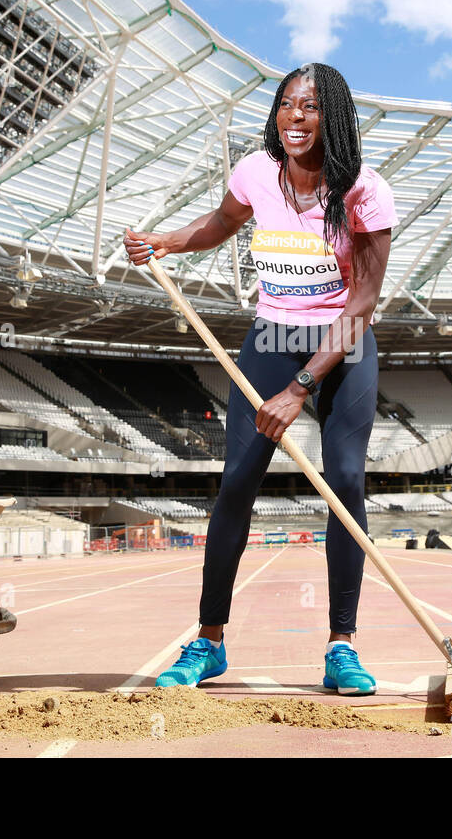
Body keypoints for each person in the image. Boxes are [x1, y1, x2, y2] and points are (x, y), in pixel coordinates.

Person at [123, 62, 396, 695]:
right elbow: (218, 225)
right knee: (237, 483)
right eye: (285, 105)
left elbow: (362, 304)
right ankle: (209, 641)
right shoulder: (255, 174)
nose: (295, 117)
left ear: (335, 116)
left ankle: (340, 646)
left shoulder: (365, 192)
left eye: (311, 107)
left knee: (347, 482)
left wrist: (299, 389)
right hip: (270, 338)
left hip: (343, 347)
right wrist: (164, 241)